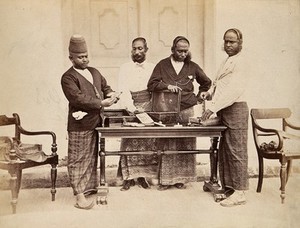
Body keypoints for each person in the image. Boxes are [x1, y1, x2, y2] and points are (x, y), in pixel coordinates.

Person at [61, 34, 118, 209]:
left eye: (86, 55)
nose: (85, 59)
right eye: (80, 57)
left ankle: (89, 188)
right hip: (80, 124)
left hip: (97, 121)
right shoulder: (68, 77)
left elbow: (105, 87)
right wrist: (101, 103)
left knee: (92, 156)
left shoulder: (95, 72)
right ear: (71, 58)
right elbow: (78, 98)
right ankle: (79, 196)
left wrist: (111, 94)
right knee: (78, 158)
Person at [147, 36, 211, 190]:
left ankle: (182, 178)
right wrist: (166, 86)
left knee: (186, 143)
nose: (183, 54)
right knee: (166, 143)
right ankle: (165, 180)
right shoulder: (162, 65)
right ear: (173, 50)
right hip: (166, 110)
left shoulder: (192, 66)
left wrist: (200, 95)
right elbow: (151, 84)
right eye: (179, 51)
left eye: (185, 51)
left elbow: (206, 83)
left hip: (187, 109)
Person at [200, 28, 249, 207]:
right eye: (226, 41)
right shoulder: (227, 61)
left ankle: (240, 192)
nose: (228, 45)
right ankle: (229, 188)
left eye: (232, 42)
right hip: (225, 109)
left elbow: (233, 91)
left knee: (237, 152)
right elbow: (218, 83)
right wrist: (208, 93)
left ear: (240, 43)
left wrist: (212, 108)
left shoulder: (241, 62)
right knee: (225, 150)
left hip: (236, 108)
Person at [117, 37, 158, 191]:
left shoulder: (153, 67)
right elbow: (123, 89)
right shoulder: (125, 68)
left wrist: (149, 107)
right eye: (134, 48)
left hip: (148, 107)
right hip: (131, 107)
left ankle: (142, 177)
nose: (137, 52)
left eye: (140, 48)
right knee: (128, 141)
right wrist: (132, 108)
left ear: (146, 49)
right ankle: (128, 177)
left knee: (146, 142)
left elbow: (155, 89)